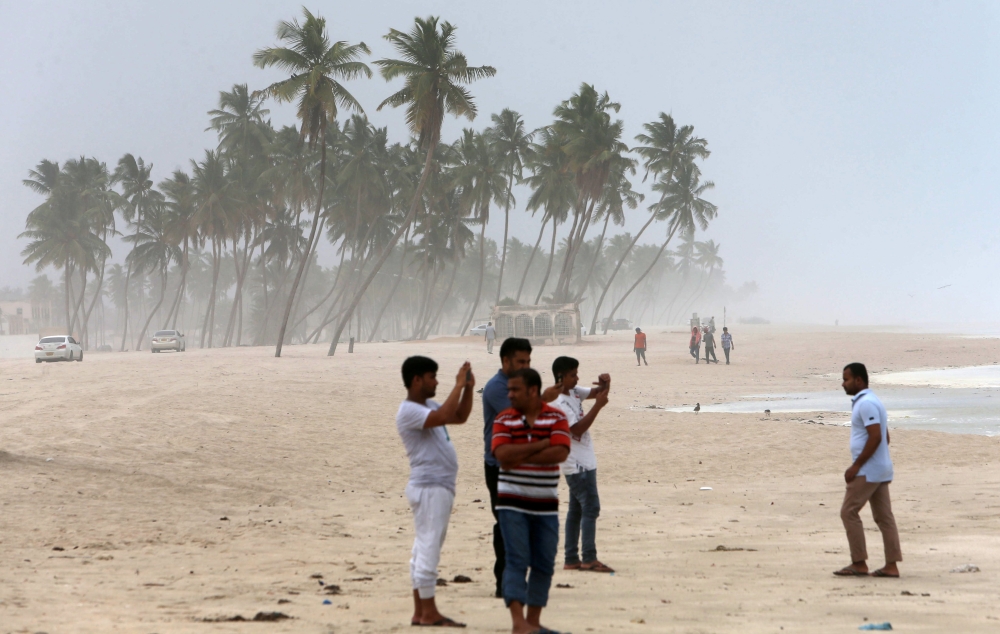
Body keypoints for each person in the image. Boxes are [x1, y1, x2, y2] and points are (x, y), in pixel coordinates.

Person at [396, 356, 475, 627]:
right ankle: (429, 612)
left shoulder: (427, 405)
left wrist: (466, 389)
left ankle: (420, 612)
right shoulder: (408, 410)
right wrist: (457, 384)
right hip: (430, 487)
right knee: (429, 548)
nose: (436, 381)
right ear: (417, 380)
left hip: (436, 487)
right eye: (432, 376)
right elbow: (442, 416)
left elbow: (459, 416)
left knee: (423, 548)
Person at [492, 369, 572, 634]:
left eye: (515, 390)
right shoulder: (504, 418)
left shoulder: (556, 416)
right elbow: (503, 456)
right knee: (516, 560)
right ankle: (518, 624)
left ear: (533, 391)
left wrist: (519, 455)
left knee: (544, 562)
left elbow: (560, 452)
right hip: (511, 503)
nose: (509, 394)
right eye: (509, 390)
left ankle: (533, 623)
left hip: (546, 504)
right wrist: (540, 444)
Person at [834, 362, 902, 578]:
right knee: (884, 517)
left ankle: (859, 562)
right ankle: (891, 565)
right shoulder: (873, 401)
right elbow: (885, 436)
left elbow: (876, 436)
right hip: (880, 468)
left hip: (868, 471)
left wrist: (857, 465)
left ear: (859, 380)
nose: (843, 383)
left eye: (846, 379)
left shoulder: (866, 404)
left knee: (848, 512)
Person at [547, 357, 611, 573]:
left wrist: (605, 384)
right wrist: (599, 407)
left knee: (576, 510)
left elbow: (595, 393)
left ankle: (571, 558)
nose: (577, 378)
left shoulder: (573, 392)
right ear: (560, 377)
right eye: (573, 374)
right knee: (591, 507)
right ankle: (589, 558)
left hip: (583, 460)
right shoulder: (559, 403)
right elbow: (577, 429)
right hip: (576, 463)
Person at [481, 337, 532, 598]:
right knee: (505, 524)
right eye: (520, 361)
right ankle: (504, 583)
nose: (525, 366)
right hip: (499, 466)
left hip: (520, 465)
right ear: (505, 361)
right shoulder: (497, 388)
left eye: (528, 361)